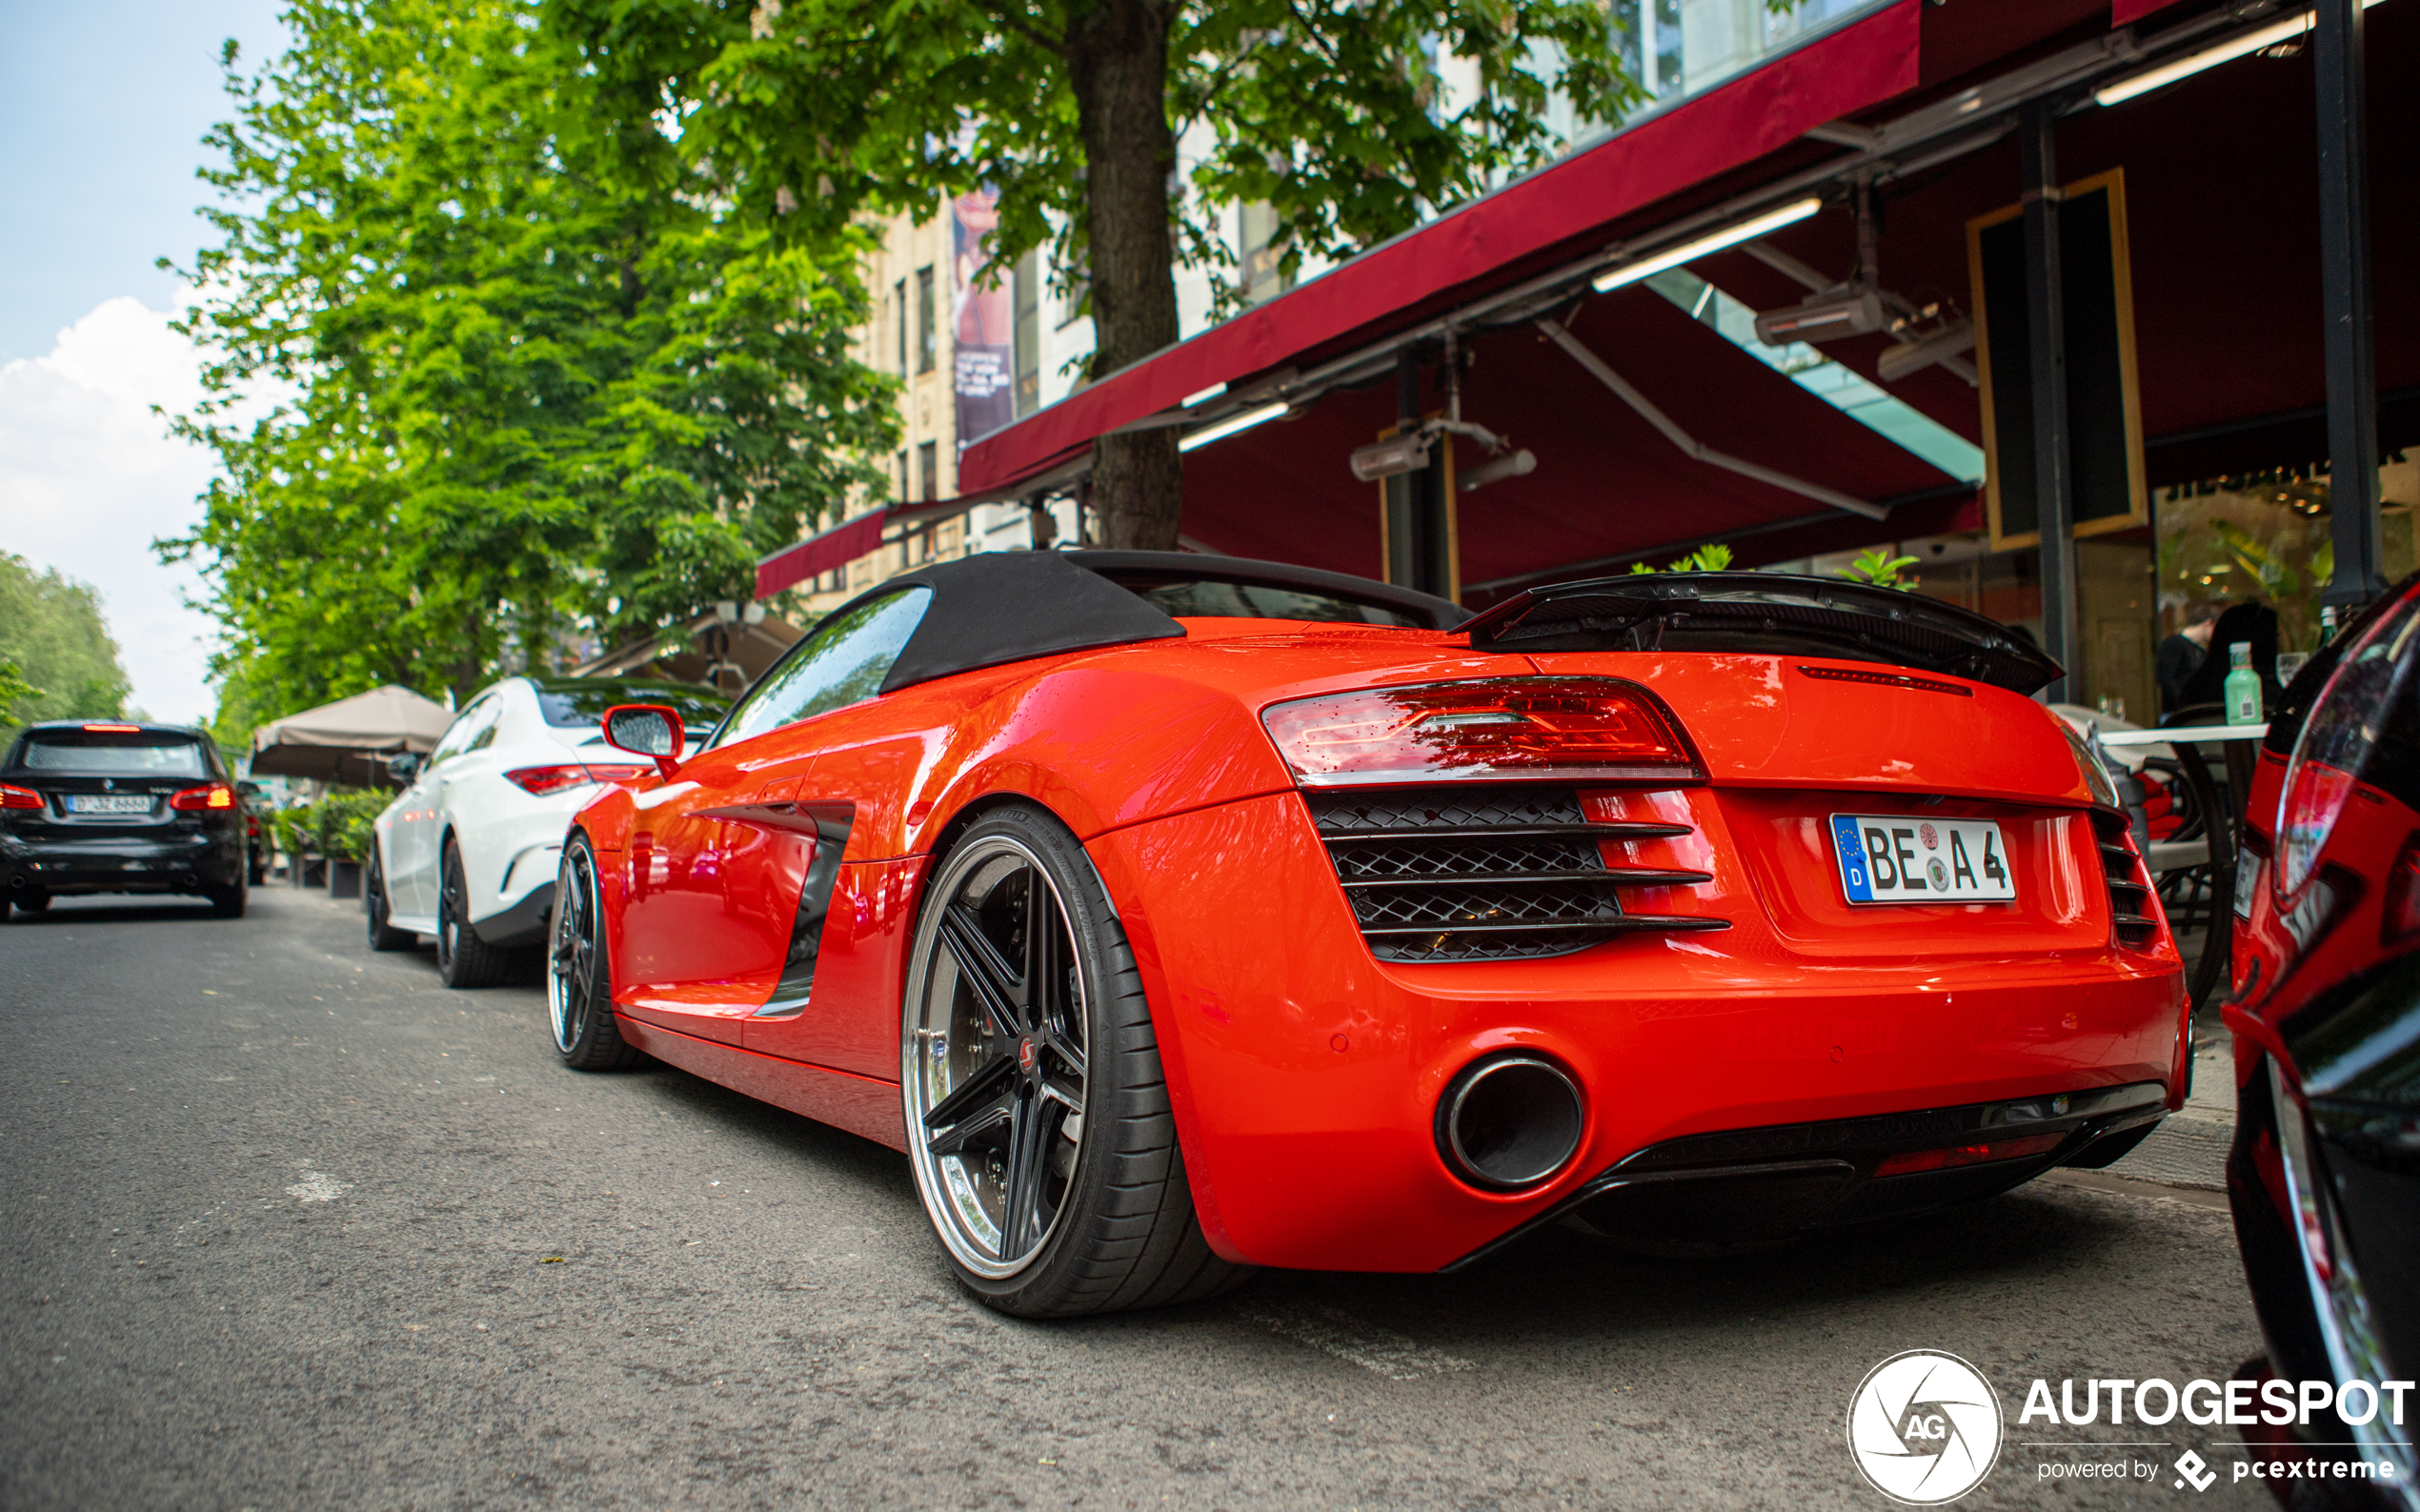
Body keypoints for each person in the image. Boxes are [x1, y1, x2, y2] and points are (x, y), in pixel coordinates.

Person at [2157, 601, 2223, 716]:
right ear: (2207, 623)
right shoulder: (2175, 644)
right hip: (2178, 713)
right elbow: (2166, 679)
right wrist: (2182, 704)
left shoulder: (2199, 650)